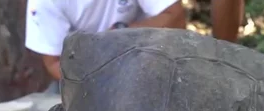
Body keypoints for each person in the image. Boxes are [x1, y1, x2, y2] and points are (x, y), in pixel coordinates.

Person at [25, 0, 186, 82]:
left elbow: (176, 18)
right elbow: (55, 61)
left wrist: (120, 35)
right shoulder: (43, 3)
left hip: (148, 60)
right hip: (85, 75)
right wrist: (97, 81)